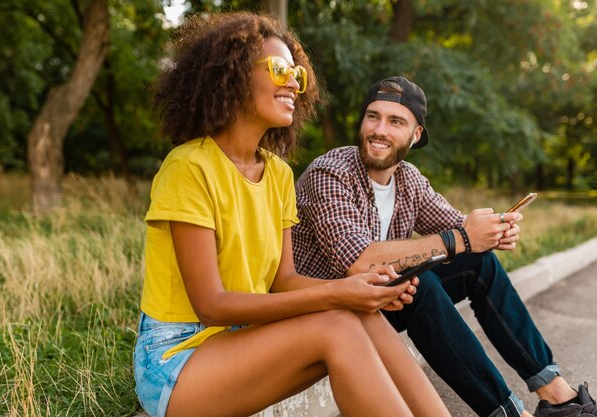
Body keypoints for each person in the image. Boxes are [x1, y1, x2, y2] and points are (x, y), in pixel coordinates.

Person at [133, 14, 453, 417]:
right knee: (337, 322)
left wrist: (364, 288)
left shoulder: (279, 174)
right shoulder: (189, 167)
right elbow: (211, 305)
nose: (293, 84)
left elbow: (283, 281)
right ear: (232, 75)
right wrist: (339, 291)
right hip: (178, 359)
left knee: (358, 314)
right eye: (280, 70)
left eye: (297, 75)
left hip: (242, 341)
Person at [293, 76, 597, 417]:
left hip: (377, 305)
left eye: (396, 122)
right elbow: (359, 261)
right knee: (420, 283)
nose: (380, 130)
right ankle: (507, 413)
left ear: (416, 134)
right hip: (325, 311)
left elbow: (459, 228)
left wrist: (492, 230)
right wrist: (462, 238)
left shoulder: (408, 180)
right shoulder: (330, 172)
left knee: (478, 262)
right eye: (373, 116)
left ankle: (557, 395)